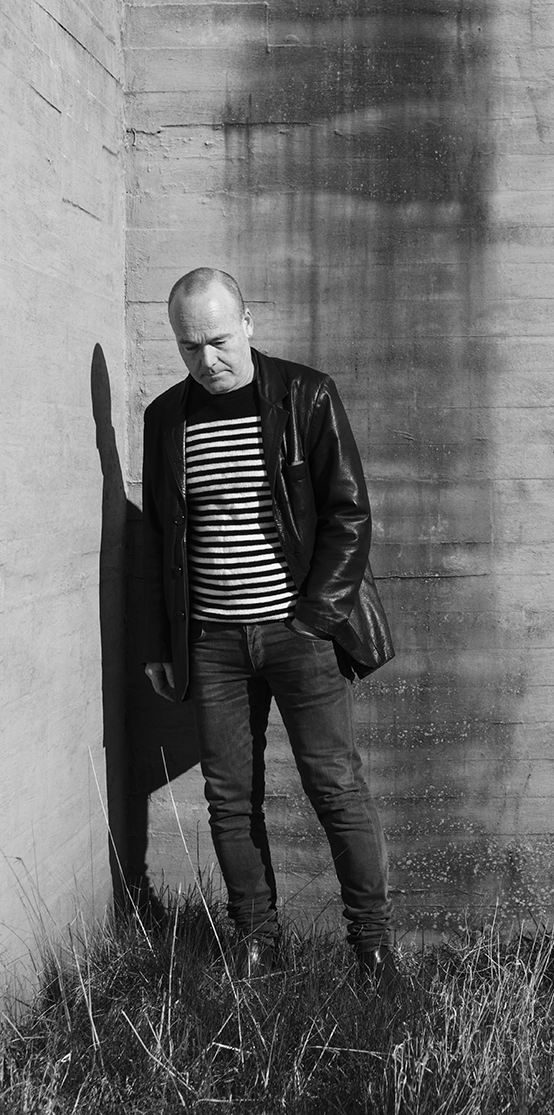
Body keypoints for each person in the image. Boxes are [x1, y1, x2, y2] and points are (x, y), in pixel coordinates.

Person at [142, 267, 396, 983]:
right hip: (212, 643)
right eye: (189, 346)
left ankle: (373, 946)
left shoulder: (305, 395)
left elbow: (349, 513)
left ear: (248, 324)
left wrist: (314, 617)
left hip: (299, 634)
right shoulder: (166, 418)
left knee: (335, 786)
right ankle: (257, 942)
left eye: (219, 340)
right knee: (229, 799)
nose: (206, 359)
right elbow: (161, 538)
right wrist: (162, 644)